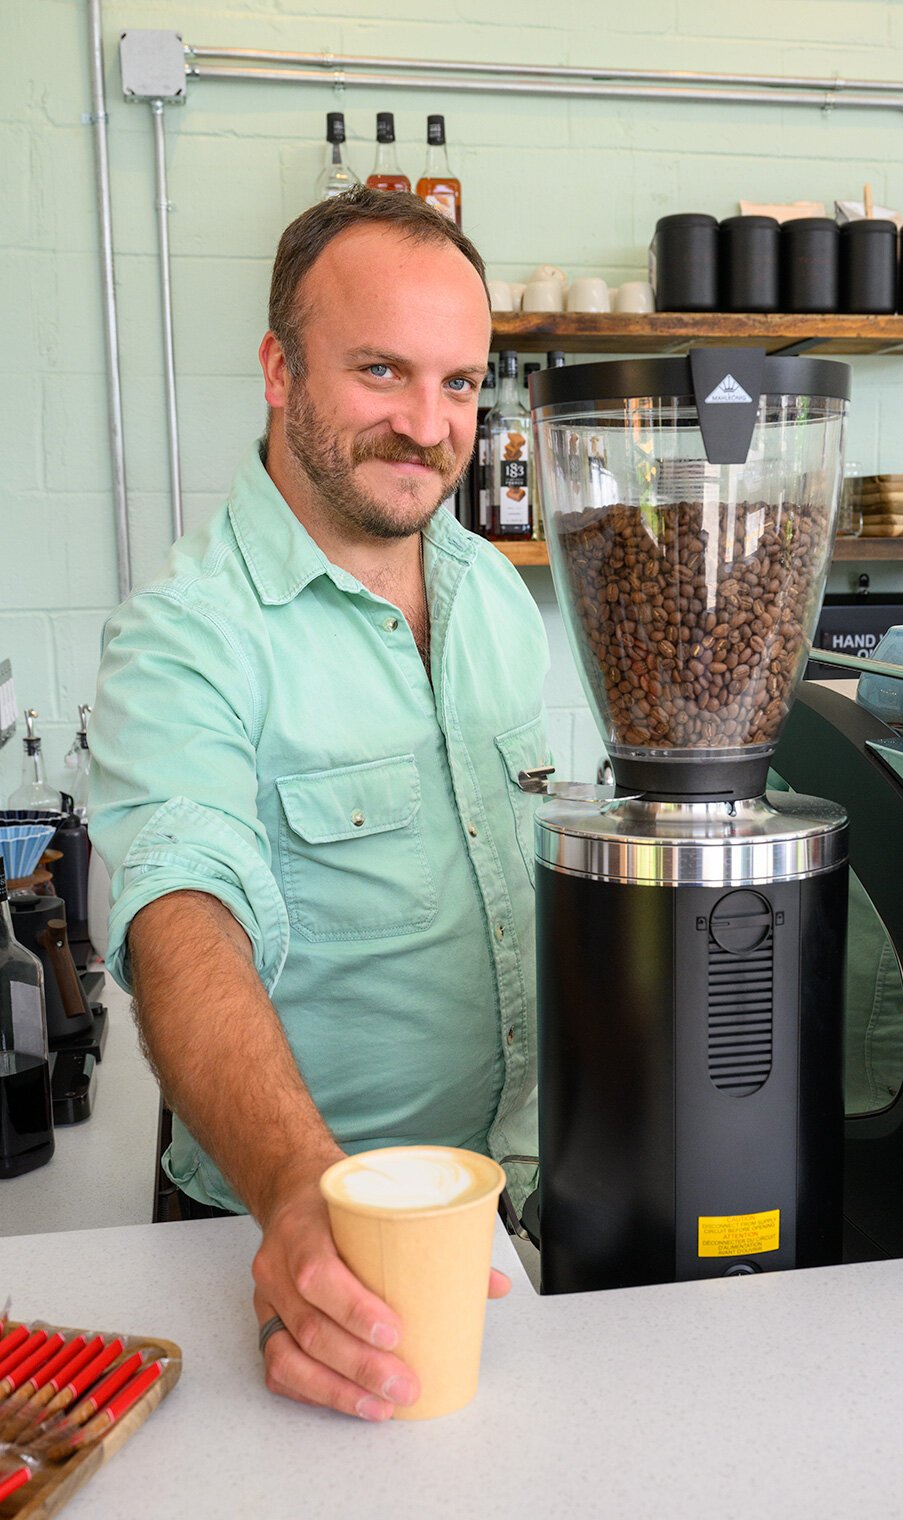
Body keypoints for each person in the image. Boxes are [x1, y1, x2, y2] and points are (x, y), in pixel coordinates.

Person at [89, 188, 551, 1422]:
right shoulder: (184, 639)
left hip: (504, 1227)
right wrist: (303, 1191)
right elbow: (180, 908)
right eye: (381, 370)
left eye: (460, 383)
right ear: (277, 370)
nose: (426, 424)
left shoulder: (496, 598)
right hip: (302, 1254)